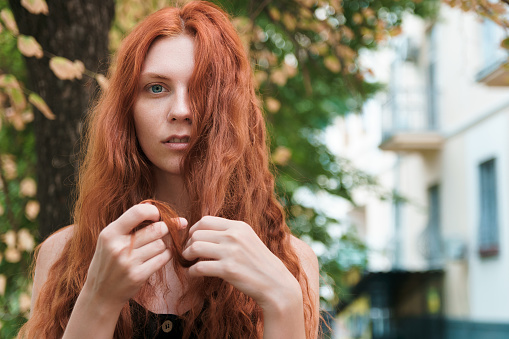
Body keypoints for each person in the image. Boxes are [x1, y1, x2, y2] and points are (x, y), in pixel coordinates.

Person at [18, 1, 320, 338]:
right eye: (156, 88)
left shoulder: (289, 263)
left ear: (231, 107)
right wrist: (98, 300)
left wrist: (283, 301)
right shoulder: (64, 255)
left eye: (202, 88)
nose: (180, 110)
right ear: (127, 110)